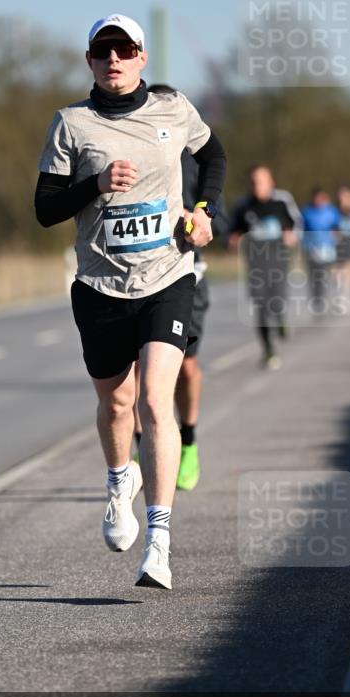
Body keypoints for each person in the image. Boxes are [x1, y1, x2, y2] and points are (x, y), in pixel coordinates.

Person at [35, 14, 226, 589]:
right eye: (102, 52)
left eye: (124, 50)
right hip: (99, 286)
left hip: (168, 276)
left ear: (142, 56)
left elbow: (213, 156)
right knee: (116, 406)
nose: (113, 60)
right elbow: (45, 209)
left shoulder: (173, 108)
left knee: (152, 401)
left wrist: (204, 212)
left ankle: (160, 543)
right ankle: (120, 480)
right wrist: (95, 184)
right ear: (89, 60)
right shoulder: (71, 124)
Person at [131, 82, 226, 492]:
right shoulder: (134, 149)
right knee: (137, 372)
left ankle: (187, 440)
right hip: (136, 276)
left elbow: (213, 215)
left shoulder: (196, 156)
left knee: (186, 367)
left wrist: (199, 215)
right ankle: (141, 447)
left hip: (187, 271)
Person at [228, 165, 300, 368]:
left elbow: (296, 224)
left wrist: (291, 235)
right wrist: (233, 240)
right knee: (260, 305)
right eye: (253, 182)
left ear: (271, 183)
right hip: (256, 265)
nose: (257, 186)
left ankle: (281, 319)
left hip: (278, 261)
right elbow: (232, 231)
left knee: (276, 300)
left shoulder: (282, 201)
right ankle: (268, 350)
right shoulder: (243, 206)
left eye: (261, 181)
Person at [300, 188, 341, 312]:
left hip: (328, 247)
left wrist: (336, 235)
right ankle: (318, 299)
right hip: (311, 248)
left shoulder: (332, 211)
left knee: (330, 273)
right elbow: (301, 228)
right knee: (316, 276)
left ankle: (336, 297)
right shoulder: (306, 211)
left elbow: (337, 226)